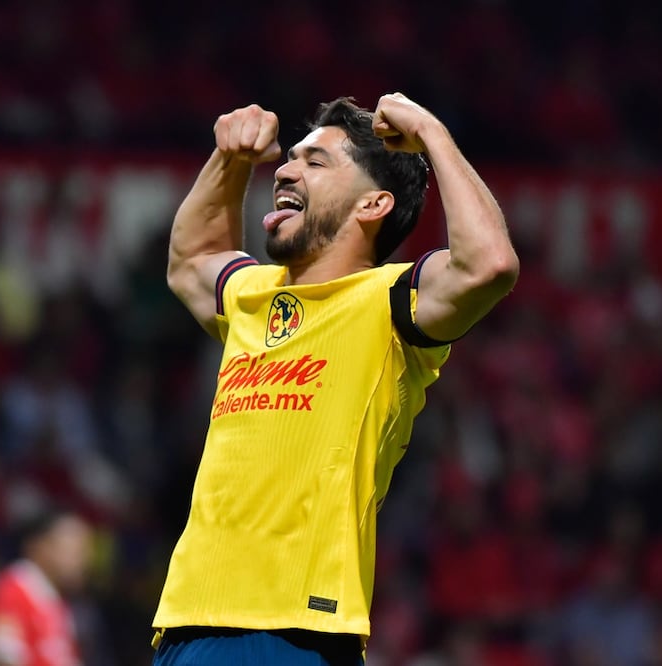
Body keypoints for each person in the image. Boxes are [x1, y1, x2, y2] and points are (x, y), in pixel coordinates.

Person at [153, 92, 519, 665]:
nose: (286, 171)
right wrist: (229, 157)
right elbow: (191, 258)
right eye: (290, 159)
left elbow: (488, 264)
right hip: (185, 623)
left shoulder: (392, 304)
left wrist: (432, 135)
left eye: (315, 162)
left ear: (373, 204)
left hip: (298, 631)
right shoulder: (252, 295)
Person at [0, 507, 91, 666]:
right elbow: (0, 657)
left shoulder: (53, 600)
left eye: (83, 551)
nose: (81, 560)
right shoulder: (10, 591)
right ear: (38, 547)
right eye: (73, 550)